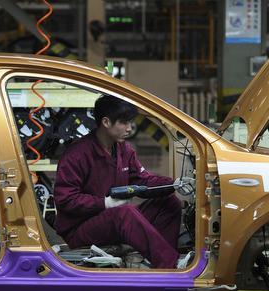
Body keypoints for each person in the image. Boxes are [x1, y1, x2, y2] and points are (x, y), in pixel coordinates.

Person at [53, 95, 194, 269]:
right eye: (124, 122)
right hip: (80, 229)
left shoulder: (123, 149)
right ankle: (172, 264)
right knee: (125, 213)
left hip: (111, 221)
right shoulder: (76, 155)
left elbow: (143, 180)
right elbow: (66, 200)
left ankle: (159, 261)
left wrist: (174, 184)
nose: (129, 128)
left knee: (169, 202)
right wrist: (103, 203)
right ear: (106, 122)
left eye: (130, 122)